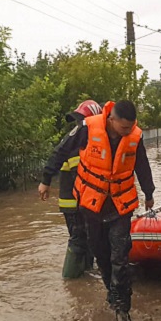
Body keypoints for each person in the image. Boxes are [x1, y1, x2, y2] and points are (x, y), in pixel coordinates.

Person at [39, 100, 155, 321]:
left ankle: (123, 308)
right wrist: (45, 179)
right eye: (123, 128)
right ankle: (113, 295)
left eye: (130, 128)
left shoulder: (135, 136)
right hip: (92, 205)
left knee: (120, 257)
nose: (127, 132)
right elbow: (61, 150)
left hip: (120, 206)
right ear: (111, 119)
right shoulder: (86, 129)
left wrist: (149, 193)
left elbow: (142, 165)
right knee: (101, 255)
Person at [59, 100, 102, 279]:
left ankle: (85, 273)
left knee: (86, 238)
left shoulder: (72, 139)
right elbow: (82, 176)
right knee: (78, 238)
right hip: (76, 202)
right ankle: (70, 279)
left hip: (75, 201)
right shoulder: (79, 143)